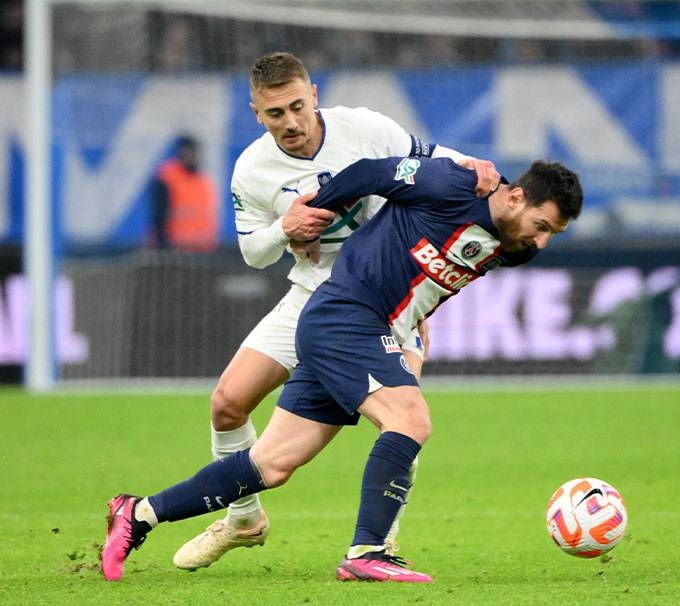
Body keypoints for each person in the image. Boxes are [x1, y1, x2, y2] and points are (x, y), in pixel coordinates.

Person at [101, 156, 583, 583]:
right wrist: (317, 215)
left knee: (272, 464)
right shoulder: (449, 184)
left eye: (552, 235)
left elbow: (430, 267)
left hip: (363, 326)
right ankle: (369, 551)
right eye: (541, 225)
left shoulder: (514, 247)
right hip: (347, 314)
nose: (540, 242)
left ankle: (138, 513)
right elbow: (369, 174)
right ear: (515, 196)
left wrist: (420, 314)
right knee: (409, 418)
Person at [171, 52, 499, 571]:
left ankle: (380, 546)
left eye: (298, 106)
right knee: (227, 403)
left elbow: (436, 159)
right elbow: (252, 251)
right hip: (311, 296)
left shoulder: (366, 130)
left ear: (314, 95)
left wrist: (474, 164)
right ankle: (243, 520)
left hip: (389, 299)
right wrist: (284, 230)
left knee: (402, 420)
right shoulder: (252, 169)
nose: (291, 122)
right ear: (256, 112)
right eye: (275, 113)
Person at [150, 135, 219, 252]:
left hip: (203, 249)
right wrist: (162, 246)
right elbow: (159, 217)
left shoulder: (204, 180)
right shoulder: (167, 178)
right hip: (174, 249)